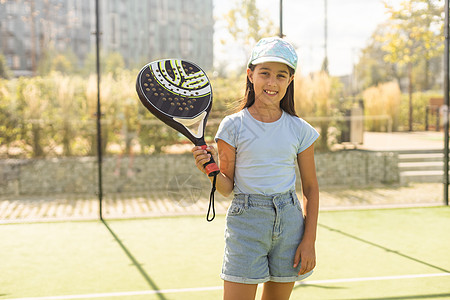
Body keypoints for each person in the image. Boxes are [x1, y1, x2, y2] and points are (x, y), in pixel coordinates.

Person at [192, 36, 320, 300]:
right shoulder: (232, 126)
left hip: (290, 225)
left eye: (281, 76)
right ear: (250, 75)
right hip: (247, 224)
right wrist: (211, 170)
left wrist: (309, 241)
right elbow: (227, 188)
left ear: (290, 80)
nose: (272, 82)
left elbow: (310, 188)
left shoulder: (300, 130)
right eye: (265, 73)